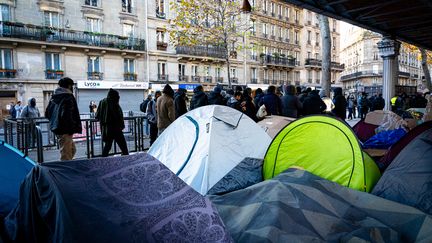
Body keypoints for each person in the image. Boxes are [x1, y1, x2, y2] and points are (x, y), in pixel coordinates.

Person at [45, 77, 82, 161]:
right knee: (66, 154)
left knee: (72, 150)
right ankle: (65, 170)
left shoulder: (54, 97)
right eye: (71, 86)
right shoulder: (68, 97)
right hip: (66, 129)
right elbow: (67, 114)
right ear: (69, 86)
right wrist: (71, 127)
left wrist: (55, 121)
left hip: (58, 128)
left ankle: (67, 165)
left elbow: (47, 113)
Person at [96, 89, 129, 157]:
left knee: (107, 146)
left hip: (106, 129)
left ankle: (103, 160)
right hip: (115, 128)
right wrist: (121, 125)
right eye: (118, 96)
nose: (119, 97)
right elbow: (117, 115)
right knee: (123, 146)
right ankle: (127, 159)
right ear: (114, 96)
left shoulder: (102, 102)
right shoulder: (113, 102)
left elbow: (97, 115)